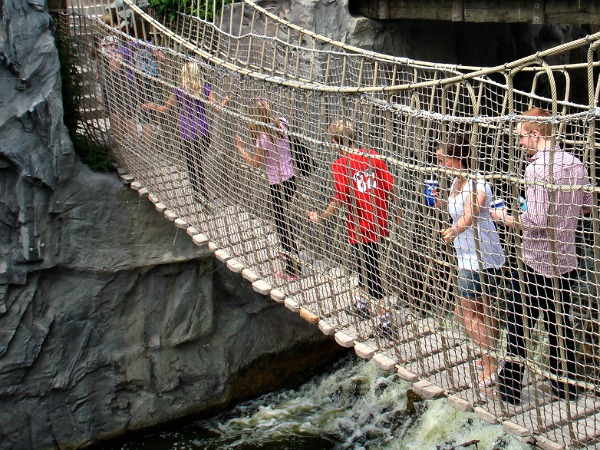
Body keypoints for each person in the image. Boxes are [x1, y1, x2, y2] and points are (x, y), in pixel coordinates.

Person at [489, 107, 593, 404]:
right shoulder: (575, 162)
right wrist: (564, 210)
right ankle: (566, 388)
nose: (519, 143)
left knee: (518, 327)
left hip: (536, 261)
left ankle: (509, 392)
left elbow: (535, 221)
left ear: (536, 135)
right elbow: (586, 205)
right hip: (566, 259)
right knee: (559, 326)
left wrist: (505, 217)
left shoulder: (536, 169)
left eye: (521, 137)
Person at [308, 119, 394, 335]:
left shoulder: (340, 165)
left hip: (361, 227)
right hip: (379, 221)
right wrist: (397, 212)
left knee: (371, 271)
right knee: (363, 265)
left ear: (337, 141)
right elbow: (389, 186)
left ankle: (385, 321)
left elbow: (339, 200)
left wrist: (321, 216)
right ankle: (362, 303)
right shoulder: (372, 156)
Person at [434, 134, 506, 389]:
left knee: (465, 312)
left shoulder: (477, 184)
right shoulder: (456, 182)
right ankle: (490, 354)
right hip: (466, 256)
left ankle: (489, 361)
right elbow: (457, 209)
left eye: (443, 159)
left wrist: (453, 231)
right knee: (482, 311)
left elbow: (470, 215)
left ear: (456, 158)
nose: (440, 163)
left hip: (481, 258)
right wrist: (439, 200)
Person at [234, 97, 301, 280]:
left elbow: (255, 164)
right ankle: (290, 253)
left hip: (277, 184)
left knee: (281, 224)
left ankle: (292, 268)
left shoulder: (262, 139)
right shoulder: (282, 125)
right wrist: (266, 109)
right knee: (284, 219)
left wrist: (241, 149)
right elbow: (272, 117)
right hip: (291, 179)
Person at [143, 61, 229, 202]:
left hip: (187, 133)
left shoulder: (178, 91)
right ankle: (204, 193)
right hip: (203, 133)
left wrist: (152, 106)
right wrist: (225, 101)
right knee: (199, 162)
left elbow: (165, 109)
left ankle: (198, 193)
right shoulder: (205, 89)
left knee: (191, 164)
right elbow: (216, 109)